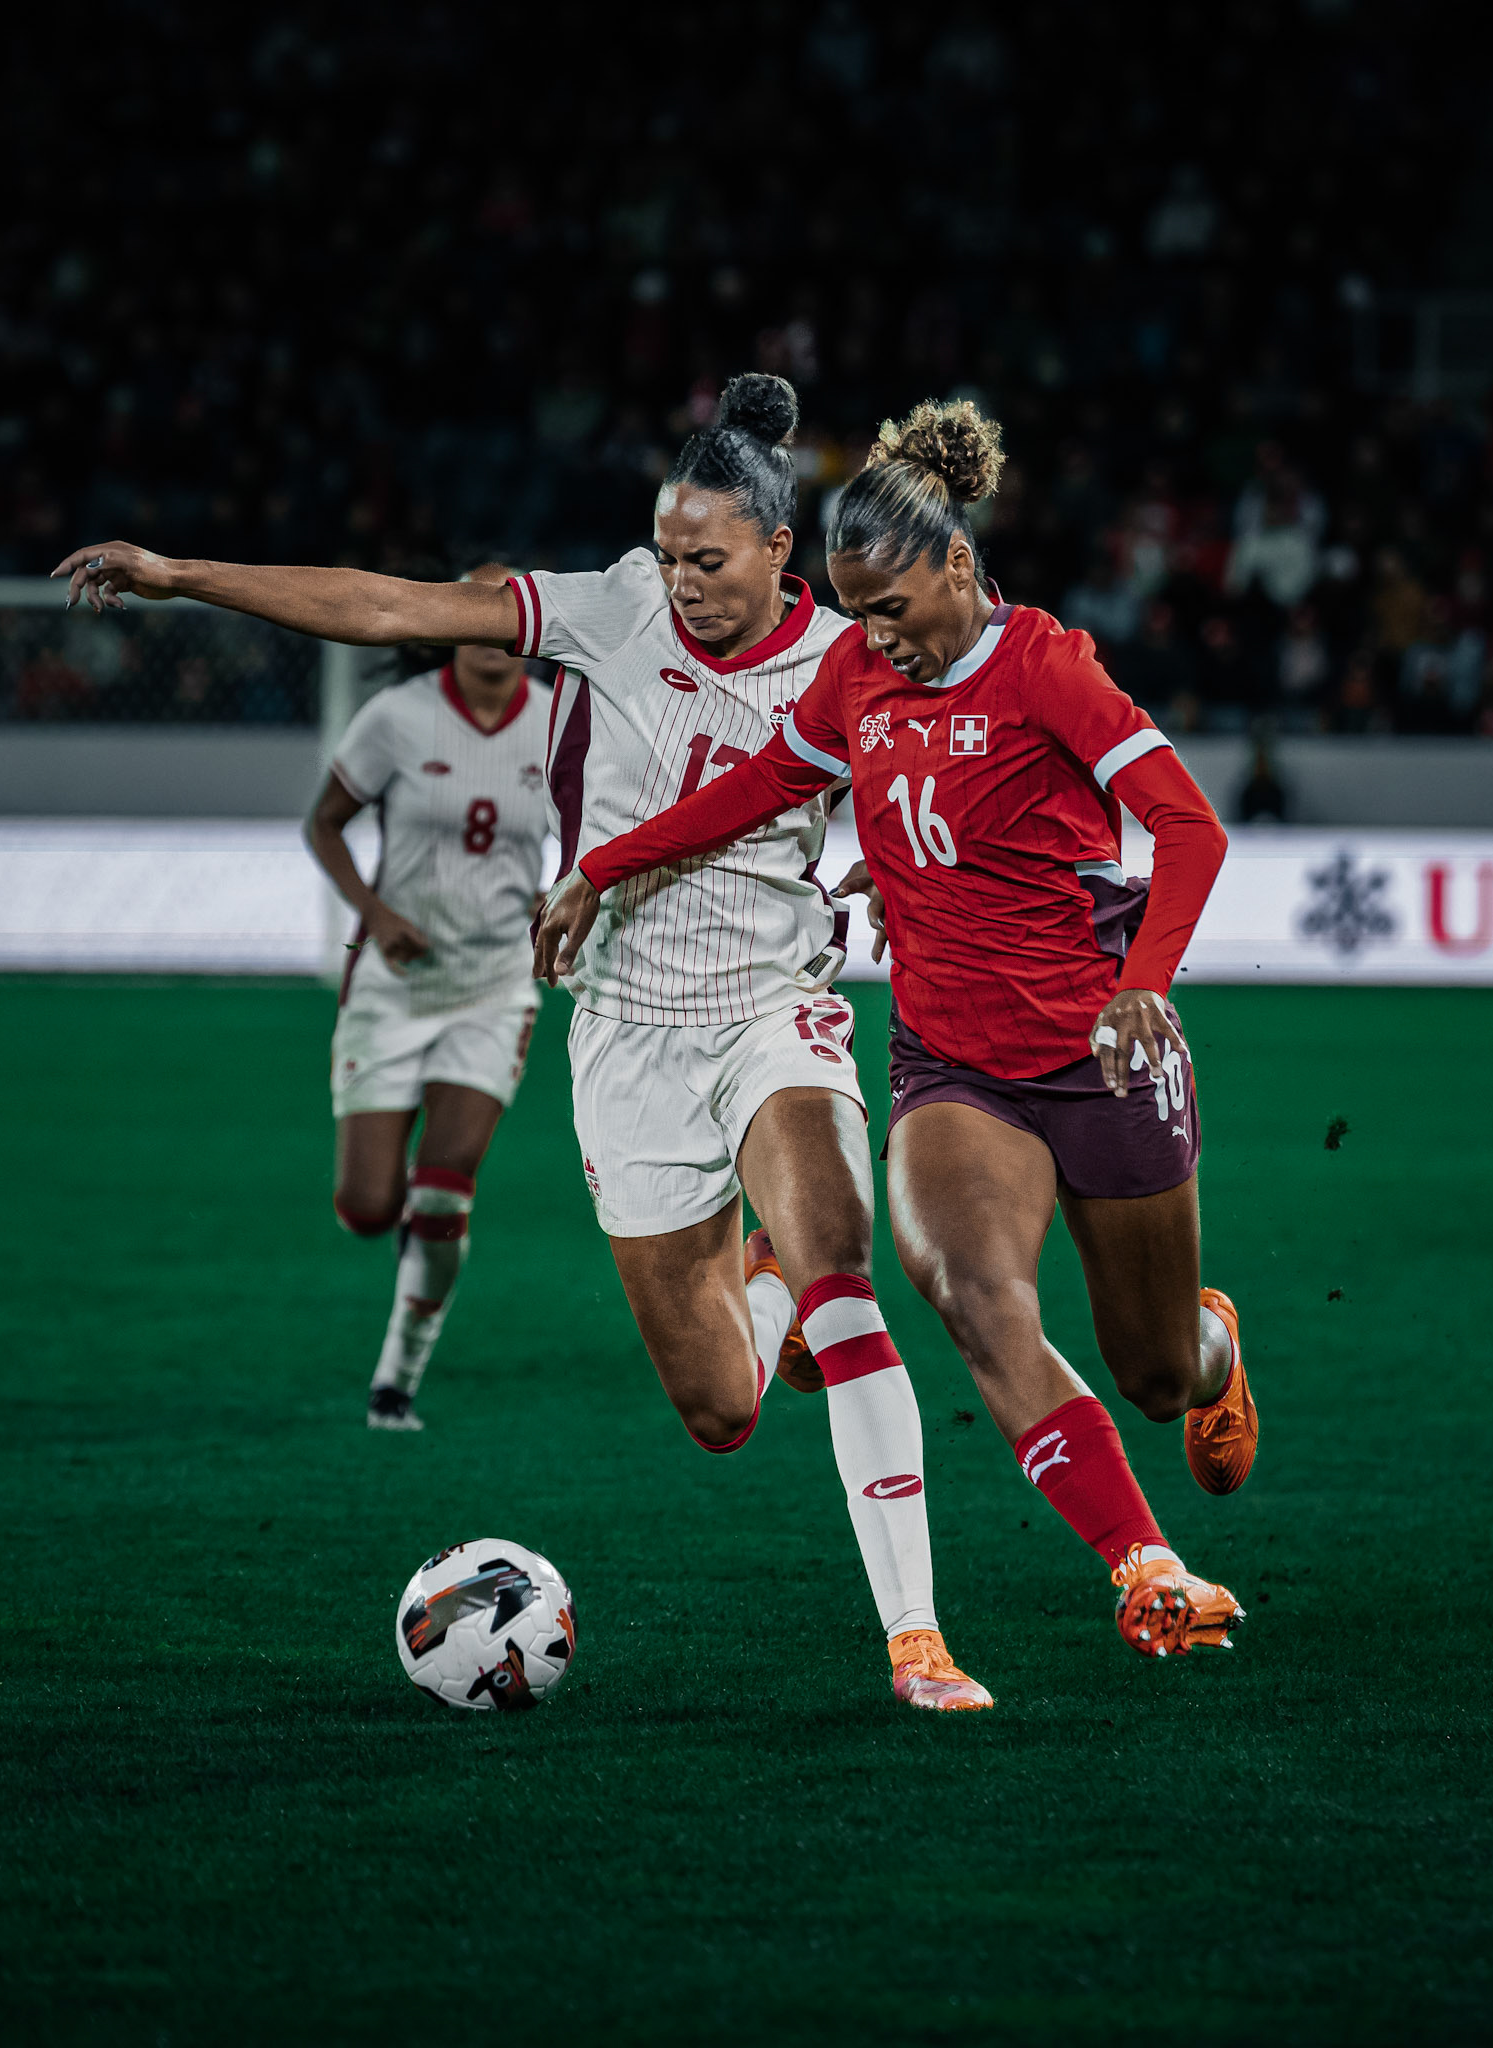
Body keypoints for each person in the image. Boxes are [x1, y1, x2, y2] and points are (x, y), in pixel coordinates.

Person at [53, 375, 990, 1712]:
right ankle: (767, 1288)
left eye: (709, 561)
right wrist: (179, 573)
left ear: (784, 550)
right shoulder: (610, 606)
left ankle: (914, 1635)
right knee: (723, 1409)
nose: (681, 583)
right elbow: (388, 604)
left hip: (775, 1011)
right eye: (668, 555)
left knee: (846, 1272)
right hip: (622, 1037)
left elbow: (948, 778)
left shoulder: (846, 660)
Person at [537, 399, 1256, 1661]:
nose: (875, 641)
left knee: (1152, 1369)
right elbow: (761, 788)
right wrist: (604, 866)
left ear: (961, 566)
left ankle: (1215, 1348)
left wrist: (1146, 978)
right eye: (856, 614)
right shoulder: (859, 673)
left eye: (896, 610)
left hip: (1100, 1053)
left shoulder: (1049, 666)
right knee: (977, 1300)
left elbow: (1189, 828)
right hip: (954, 1065)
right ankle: (1146, 1565)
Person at [306, 560, 551, 1431]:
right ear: (449, 624)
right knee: (369, 1209)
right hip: (395, 984)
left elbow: (604, 824)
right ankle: (407, 1229)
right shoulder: (398, 717)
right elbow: (323, 823)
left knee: (445, 1190)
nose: (492, 634)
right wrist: (373, 912)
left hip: (495, 987)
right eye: (475, 616)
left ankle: (394, 1384)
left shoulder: (561, 721)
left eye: (507, 618)